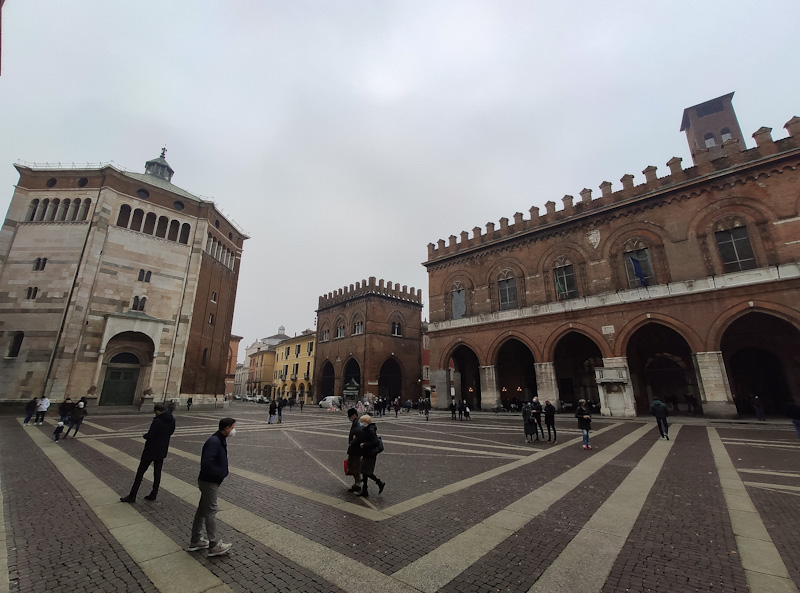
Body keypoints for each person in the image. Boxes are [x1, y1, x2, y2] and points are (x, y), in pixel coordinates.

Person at [189, 417, 236, 556]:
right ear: (227, 428)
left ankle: (196, 540)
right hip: (209, 481)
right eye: (232, 427)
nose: (234, 430)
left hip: (209, 480)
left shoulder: (218, 439)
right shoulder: (214, 441)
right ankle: (214, 545)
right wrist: (218, 474)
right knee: (211, 511)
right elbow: (207, 463)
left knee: (202, 510)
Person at [120, 402, 176, 503]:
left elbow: (151, 435)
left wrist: (144, 435)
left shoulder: (157, 421)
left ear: (157, 411)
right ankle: (154, 494)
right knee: (157, 473)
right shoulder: (172, 420)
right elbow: (171, 432)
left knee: (140, 472)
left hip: (151, 450)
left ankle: (132, 495)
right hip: (162, 449)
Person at [355, 415, 385, 497]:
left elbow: (375, 442)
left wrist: (365, 444)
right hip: (366, 453)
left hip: (370, 453)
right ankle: (365, 490)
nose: (361, 423)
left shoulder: (370, 430)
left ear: (366, 422)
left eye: (362, 422)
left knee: (367, 472)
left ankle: (379, 482)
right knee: (364, 471)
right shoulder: (366, 429)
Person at [346, 408, 363, 493]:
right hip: (353, 449)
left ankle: (358, 484)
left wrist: (353, 441)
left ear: (354, 415)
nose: (349, 418)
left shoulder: (358, 424)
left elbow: (358, 437)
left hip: (356, 449)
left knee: (356, 467)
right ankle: (358, 481)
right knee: (350, 464)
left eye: (350, 416)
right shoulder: (355, 422)